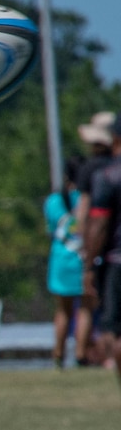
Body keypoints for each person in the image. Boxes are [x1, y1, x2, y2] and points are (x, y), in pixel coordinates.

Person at [83, 117, 121, 390]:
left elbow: (99, 224)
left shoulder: (107, 176)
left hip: (116, 262)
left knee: (114, 331)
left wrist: (88, 265)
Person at [46, 160, 89, 368]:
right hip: (83, 258)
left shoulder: (53, 202)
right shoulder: (86, 198)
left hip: (60, 261)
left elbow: (50, 232)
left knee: (63, 311)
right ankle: (81, 354)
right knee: (85, 309)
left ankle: (58, 354)